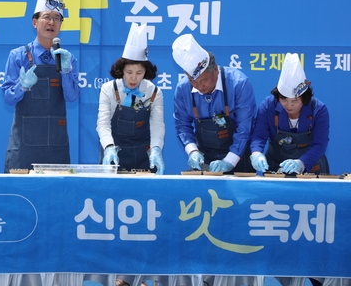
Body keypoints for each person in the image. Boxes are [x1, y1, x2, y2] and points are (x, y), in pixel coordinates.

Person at [2, 0, 79, 172]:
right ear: (35, 22)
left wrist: (67, 71)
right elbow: (8, 98)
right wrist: (22, 86)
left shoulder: (68, 59)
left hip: (56, 146)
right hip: (24, 147)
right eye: (46, 17)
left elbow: (72, 97)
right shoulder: (18, 56)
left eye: (57, 18)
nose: (51, 22)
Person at [172, 34, 256, 173]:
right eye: (193, 81)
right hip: (203, 158)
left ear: (215, 70)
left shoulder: (239, 84)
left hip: (239, 157)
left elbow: (244, 128)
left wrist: (229, 161)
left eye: (203, 80)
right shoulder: (182, 89)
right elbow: (182, 125)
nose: (199, 86)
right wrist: (192, 151)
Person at [97, 23, 165, 173]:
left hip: (144, 157)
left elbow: (157, 125)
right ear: (121, 70)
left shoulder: (154, 92)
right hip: (115, 155)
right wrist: (108, 148)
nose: (133, 78)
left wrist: (156, 149)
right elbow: (103, 124)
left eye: (139, 73)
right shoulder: (108, 89)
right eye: (129, 72)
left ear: (146, 72)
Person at [249, 53, 329, 174]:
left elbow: (320, 144)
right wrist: (256, 153)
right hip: (276, 166)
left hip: (311, 167)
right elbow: (259, 136)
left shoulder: (318, 109)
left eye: (295, 101)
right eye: (284, 100)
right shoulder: (268, 106)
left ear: (305, 98)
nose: (289, 105)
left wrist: (301, 163)